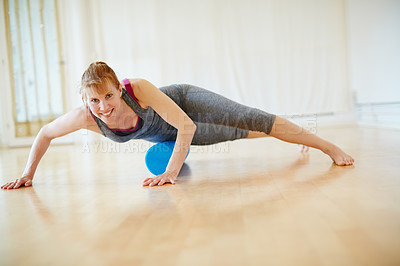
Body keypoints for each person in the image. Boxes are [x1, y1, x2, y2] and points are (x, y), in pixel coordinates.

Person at [1, 62, 354, 190]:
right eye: (93, 100)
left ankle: (328, 146)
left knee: (250, 116)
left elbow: (185, 125)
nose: (103, 107)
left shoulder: (138, 89)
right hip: (169, 135)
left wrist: (170, 173)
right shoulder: (85, 116)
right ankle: (297, 138)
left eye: (108, 97)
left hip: (184, 106)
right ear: (85, 101)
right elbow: (45, 132)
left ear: (119, 90)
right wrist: (28, 173)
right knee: (243, 132)